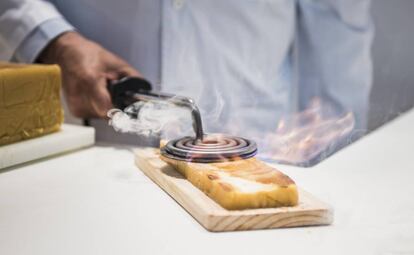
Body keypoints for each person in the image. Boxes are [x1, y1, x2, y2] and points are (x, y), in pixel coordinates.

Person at [0, 0, 373, 161]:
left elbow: (338, 18)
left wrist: (335, 149)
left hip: (258, 148)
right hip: (92, 141)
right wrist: (52, 41)